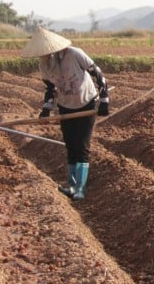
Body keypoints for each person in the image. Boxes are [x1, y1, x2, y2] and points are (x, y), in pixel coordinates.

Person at [20, 26, 109, 200]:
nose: (45, 55)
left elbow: (98, 74)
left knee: (82, 146)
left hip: (86, 103)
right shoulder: (44, 65)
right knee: (71, 146)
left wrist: (104, 100)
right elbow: (50, 88)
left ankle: (80, 189)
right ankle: (72, 185)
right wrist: (46, 109)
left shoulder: (75, 54)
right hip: (65, 106)